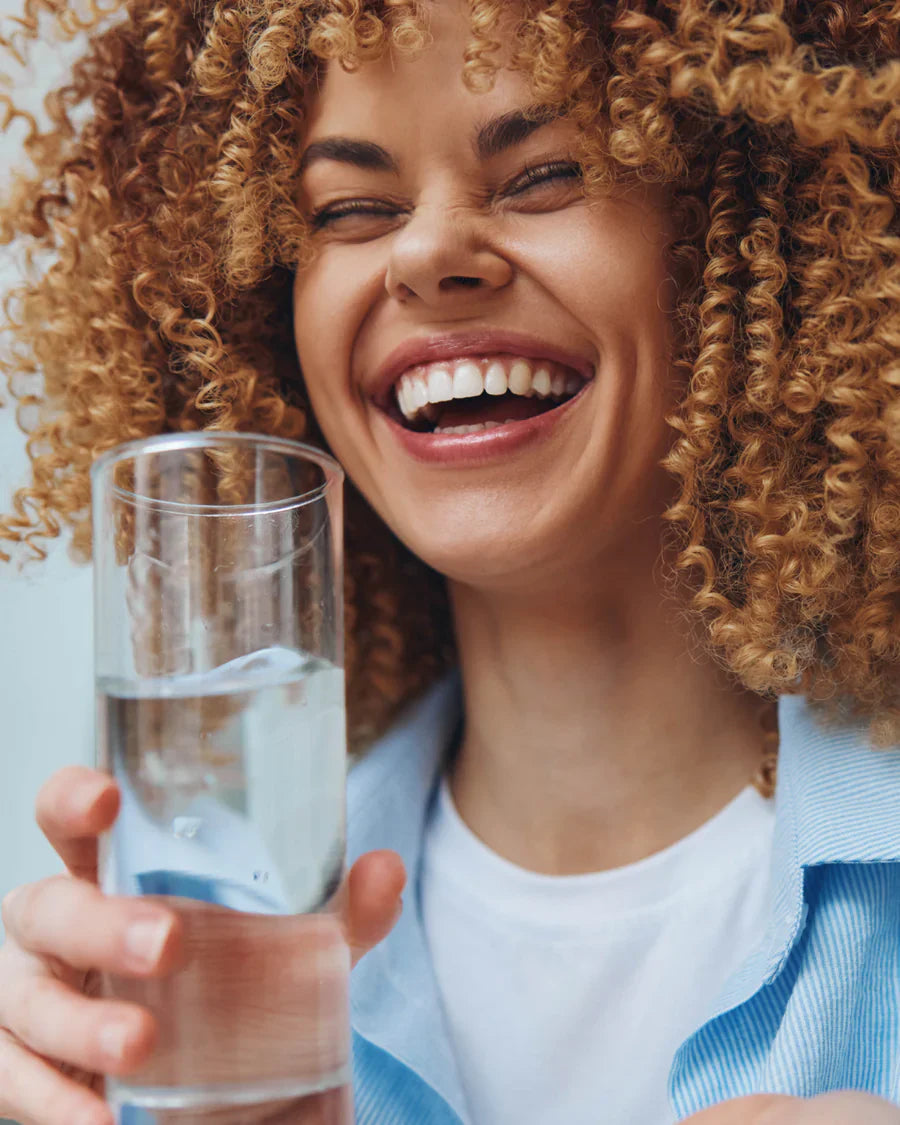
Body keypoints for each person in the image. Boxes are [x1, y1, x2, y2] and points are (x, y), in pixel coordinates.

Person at [1, 0, 899, 1122]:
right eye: (353, 208)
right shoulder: (211, 970)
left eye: (543, 176)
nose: (427, 256)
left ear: (769, 234)